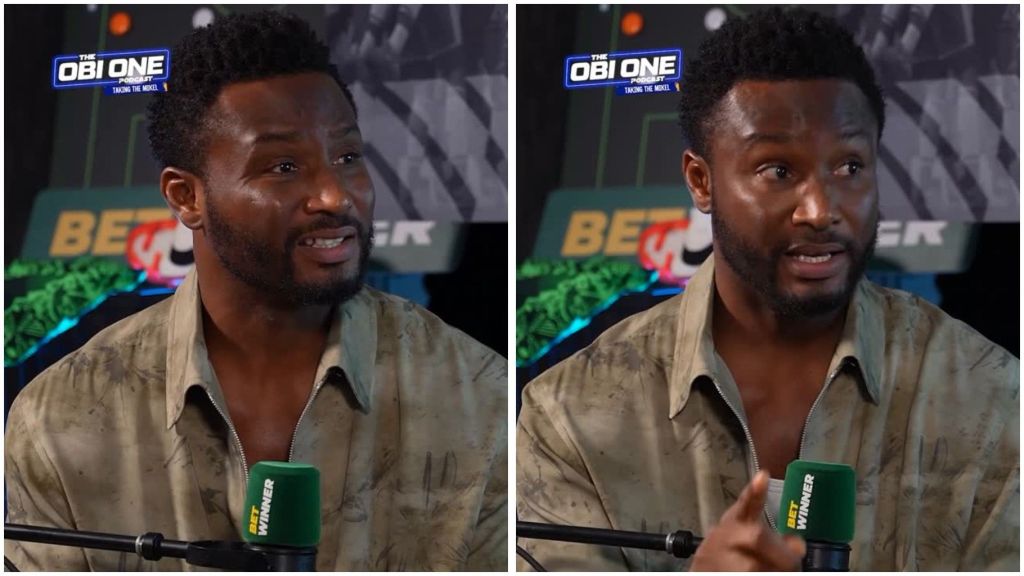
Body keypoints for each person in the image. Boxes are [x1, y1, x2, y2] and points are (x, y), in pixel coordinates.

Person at [516, 7, 1018, 572]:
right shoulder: (569, 415)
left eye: (850, 167)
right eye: (778, 170)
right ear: (701, 181)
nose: (821, 210)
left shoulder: (991, 396)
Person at [5, 10, 506, 571]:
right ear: (186, 197)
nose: (335, 196)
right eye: (284, 166)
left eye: (347, 157)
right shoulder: (61, 417)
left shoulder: (480, 395)